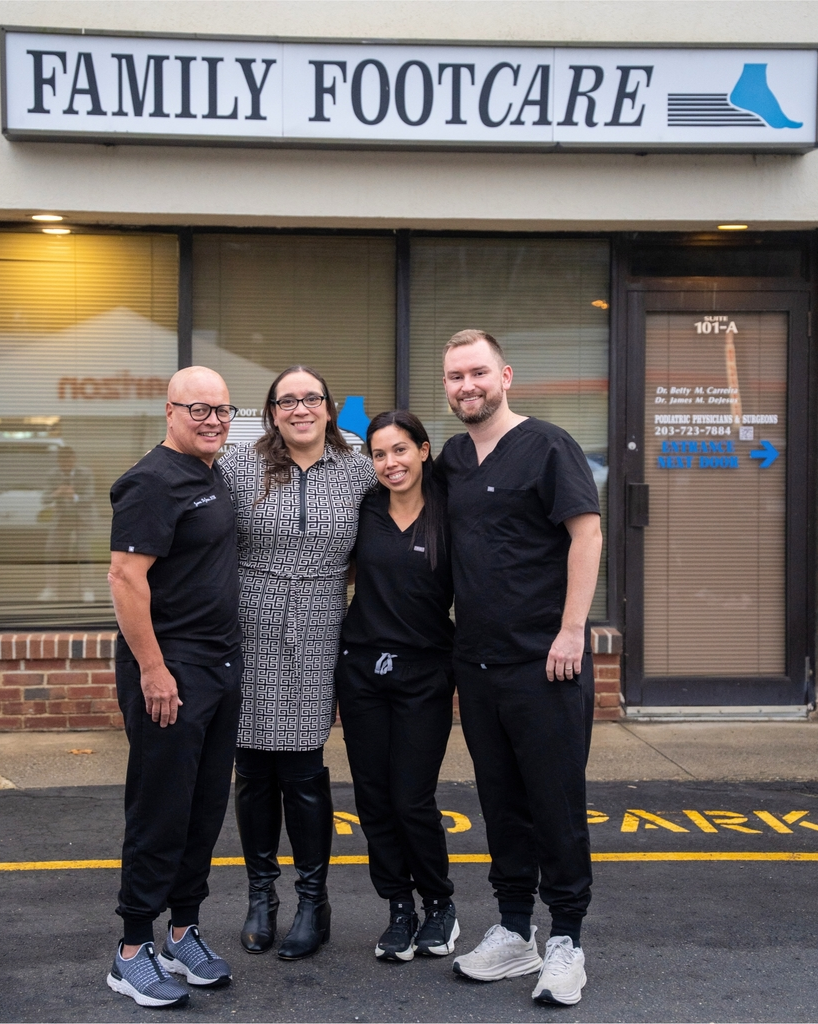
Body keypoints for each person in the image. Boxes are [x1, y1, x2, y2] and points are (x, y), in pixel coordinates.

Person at [438, 330, 602, 1008]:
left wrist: (570, 632)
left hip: (545, 663)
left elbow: (585, 532)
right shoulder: (450, 458)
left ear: (504, 374)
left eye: (476, 372)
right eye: (453, 377)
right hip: (477, 663)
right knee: (500, 802)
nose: (465, 385)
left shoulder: (548, 445)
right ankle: (513, 931)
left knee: (553, 802)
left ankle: (565, 940)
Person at [220, 365, 376, 960]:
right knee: (253, 766)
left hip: (319, 628)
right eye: (287, 400)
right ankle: (262, 896)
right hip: (250, 626)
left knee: (305, 766)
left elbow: (376, 553)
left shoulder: (360, 471)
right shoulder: (239, 468)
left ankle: (315, 901)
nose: (300, 408)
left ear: (330, 408)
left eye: (311, 397)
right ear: (271, 411)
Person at [106, 366, 243, 1008]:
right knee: (160, 807)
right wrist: (154, 671)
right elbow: (126, 580)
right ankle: (133, 949)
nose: (213, 420)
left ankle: (182, 932)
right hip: (171, 671)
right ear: (170, 411)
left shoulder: (210, 473)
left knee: (204, 805)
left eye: (222, 410)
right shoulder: (151, 481)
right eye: (199, 410)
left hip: (218, 668)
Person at [335, 410, 458, 963]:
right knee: (374, 799)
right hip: (362, 671)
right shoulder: (364, 512)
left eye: (401, 450)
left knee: (411, 797)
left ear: (424, 451)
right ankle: (398, 907)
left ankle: (439, 904)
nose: (390, 463)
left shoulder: (450, 514)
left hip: (424, 674)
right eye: (380, 454)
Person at [37, 445, 97, 603]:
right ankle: (51, 589)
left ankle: (87, 589)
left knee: (83, 551)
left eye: (68, 461)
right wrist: (56, 493)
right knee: (51, 551)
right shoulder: (53, 475)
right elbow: (44, 499)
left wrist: (74, 496)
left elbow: (90, 496)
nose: (65, 464)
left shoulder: (85, 474)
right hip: (62, 517)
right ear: (58, 461)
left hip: (81, 518)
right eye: (62, 461)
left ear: (74, 460)